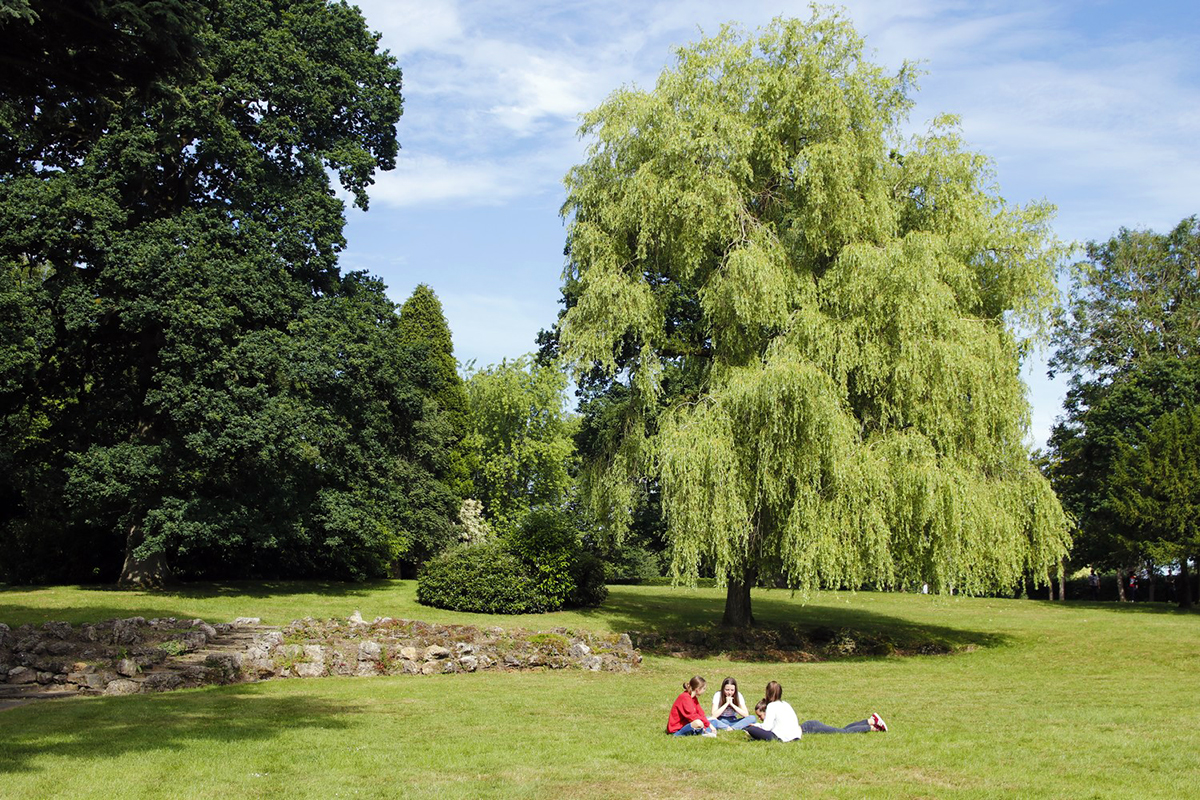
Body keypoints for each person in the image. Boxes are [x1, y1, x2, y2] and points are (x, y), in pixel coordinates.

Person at [746, 683, 889, 742]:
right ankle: (869, 721)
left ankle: (871, 725)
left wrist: (753, 727)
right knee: (842, 730)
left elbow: (767, 728)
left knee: (842, 732)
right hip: (806, 727)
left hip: (808, 727)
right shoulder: (784, 704)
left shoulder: (772, 707)